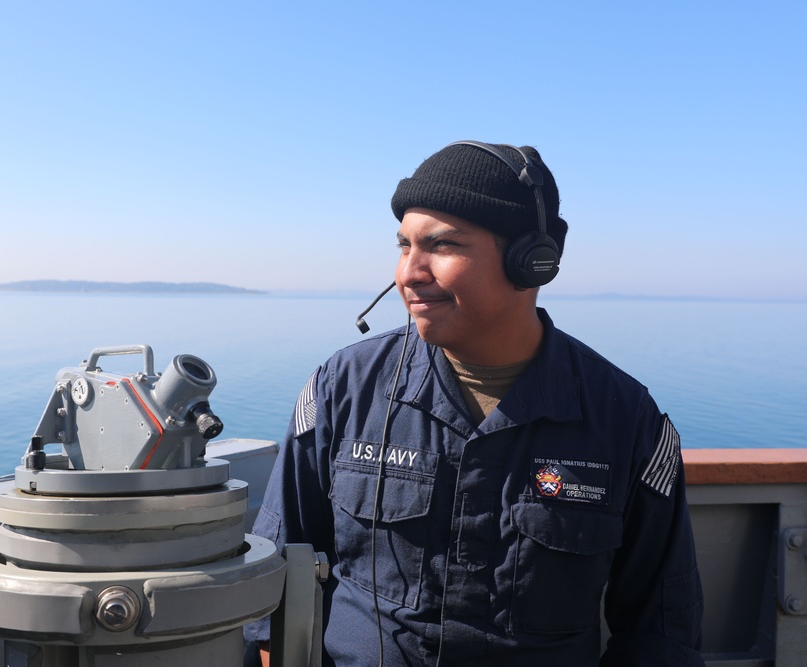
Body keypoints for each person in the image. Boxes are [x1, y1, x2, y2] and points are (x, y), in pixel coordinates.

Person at [244, 141, 704, 666]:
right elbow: (276, 586)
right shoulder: (342, 388)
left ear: (531, 261)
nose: (407, 274)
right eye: (403, 246)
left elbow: (661, 633)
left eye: (441, 246)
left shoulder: (625, 418)